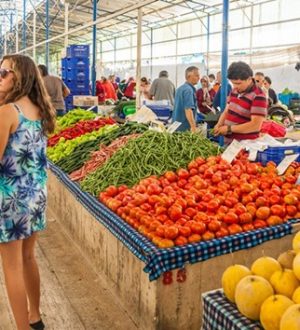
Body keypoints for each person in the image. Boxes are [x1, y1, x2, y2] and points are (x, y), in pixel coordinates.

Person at [0, 54, 56, 330]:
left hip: (10, 199)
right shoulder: (39, 109)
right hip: (35, 195)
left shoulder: (8, 111)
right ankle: (35, 316)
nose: (0, 77)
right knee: (28, 257)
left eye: (4, 72)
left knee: (11, 266)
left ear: (19, 76)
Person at [214, 61, 267, 143]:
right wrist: (219, 124)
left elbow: (255, 126)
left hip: (245, 146)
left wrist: (229, 129)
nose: (235, 86)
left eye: (238, 83)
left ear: (249, 79)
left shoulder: (258, 96)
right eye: (233, 83)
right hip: (229, 143)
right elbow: (227, 110)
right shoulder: (234, 91)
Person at [172, 66, 200, 132]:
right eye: (196, 75)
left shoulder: (180, 88)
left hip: (176, 126)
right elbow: (188, 110)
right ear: (188, 76)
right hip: (184, 129)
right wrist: (193, 127)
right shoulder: (188, 90)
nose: (199, 78)